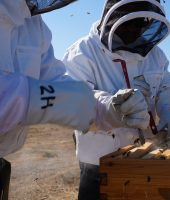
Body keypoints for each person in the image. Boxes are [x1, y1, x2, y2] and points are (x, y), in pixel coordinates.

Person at [62, 0, 170, 199]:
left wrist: (168, 111)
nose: (134, 28)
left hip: (147, 156)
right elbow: (72, 97)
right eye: (128, 20)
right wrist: (109, 109)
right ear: (112, 16)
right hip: (98, 162)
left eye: (140, 22)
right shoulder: (83, 51)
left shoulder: (155, 55)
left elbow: (166, 85)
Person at [0, 1, 97, 199]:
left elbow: (53, 78)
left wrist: (103, 108)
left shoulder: (34, 25)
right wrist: (34, 98)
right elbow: (47, 93)